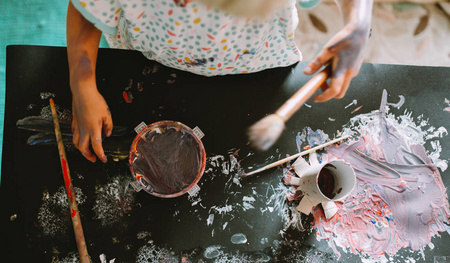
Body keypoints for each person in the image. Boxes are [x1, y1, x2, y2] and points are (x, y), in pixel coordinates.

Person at [67, 0, 373, 163]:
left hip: (259, 62)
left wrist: (358, 21)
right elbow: (86, 8)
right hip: (150, 55)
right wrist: (82, 86)